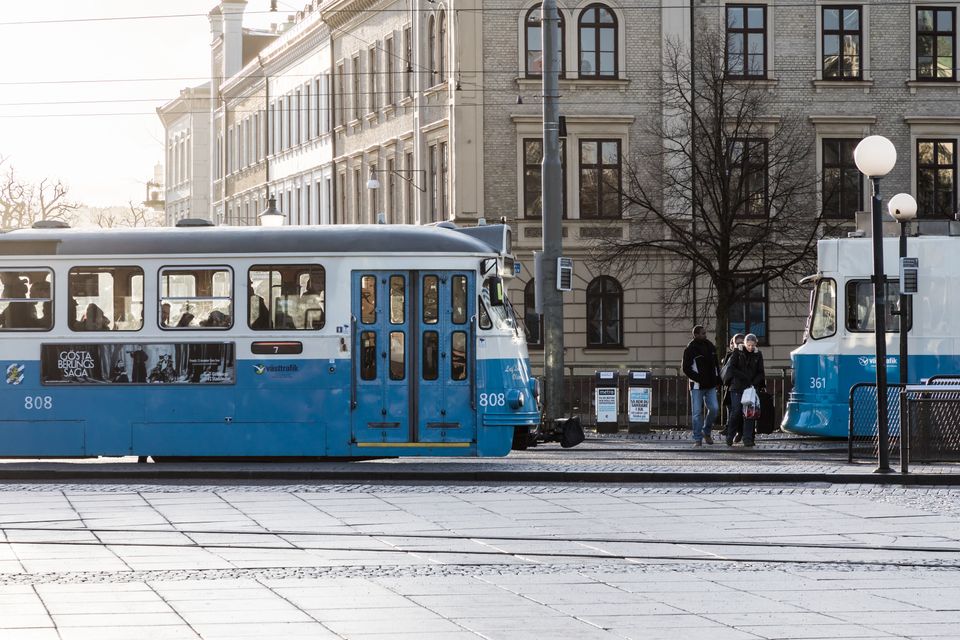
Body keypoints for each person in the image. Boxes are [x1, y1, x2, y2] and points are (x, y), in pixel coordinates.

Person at [681, 325, 720, 447]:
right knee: (697, 412)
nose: (705, 335)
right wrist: (698, 378)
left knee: (714, 409)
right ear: (695, 334)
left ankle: (706, 431)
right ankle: (698, 438)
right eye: (702, 333)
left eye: (705, 333)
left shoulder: (710, 346)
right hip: (697, 385)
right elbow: (686, 368)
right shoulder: (690, 349)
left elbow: (716, 365)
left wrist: (718, 379)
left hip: (711, 384)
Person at [725, 333, 766, 447]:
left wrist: (753, 383)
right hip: (737, 387)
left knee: (749, 414)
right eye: (748, 345)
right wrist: (745, 378)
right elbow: (732, 368)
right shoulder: (737, 352)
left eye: (753, 345)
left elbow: (761, 372)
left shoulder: (758, 355)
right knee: (736, 412)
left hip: (751, 388)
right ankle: (730, 435)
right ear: (745, 343)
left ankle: (747, 438)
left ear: (756, 344)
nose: (750, 347)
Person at [721, 333, 745, 443]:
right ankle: (731, 433)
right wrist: (736, 351)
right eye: (737, 343)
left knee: (743, 411)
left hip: (745, 386)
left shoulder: (748, 353)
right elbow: (728, 370)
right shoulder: (731, 355)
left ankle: (741, 433)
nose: (740, 345)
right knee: (734, 411)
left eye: (742, 342)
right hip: (733, 387)